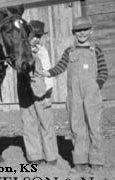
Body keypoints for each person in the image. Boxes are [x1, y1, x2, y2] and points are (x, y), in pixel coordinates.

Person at [42, 16, 108, 173]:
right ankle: (80, 162)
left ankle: (96, 161)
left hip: (92, 94)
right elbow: (60, 67)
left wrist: (96, 86)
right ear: (74, 33)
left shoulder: (96, 50)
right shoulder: (69, 52)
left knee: (94, 126)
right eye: (78, 30)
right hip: (74, 95)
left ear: (91, 31)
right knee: (77, 126)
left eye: (85, 29)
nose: (82, 33)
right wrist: (48, 73)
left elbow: (104, 72)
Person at [17, 20, 59, 167]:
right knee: (29, 122)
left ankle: (51, 155)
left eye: (39, 36)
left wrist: (48, 94)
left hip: (41, 90)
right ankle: (35, 156)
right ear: (27, 35)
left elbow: (48, 72)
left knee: (46, 122)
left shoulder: (42, 51)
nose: (36, 39)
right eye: (34, 35)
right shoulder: (20, 51)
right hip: (24, 91)